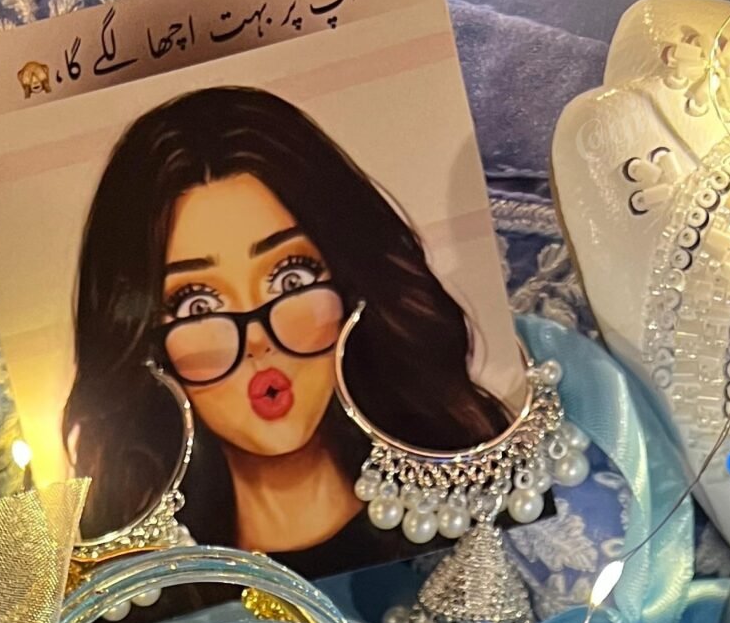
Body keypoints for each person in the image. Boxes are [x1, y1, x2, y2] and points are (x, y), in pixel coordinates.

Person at [64, 83, 508, 576]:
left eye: (290, 277)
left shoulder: (481, 502)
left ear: (350, 285)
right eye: (197, 305)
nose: (258, 342)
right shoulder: (143, 585)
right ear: (147, 344)